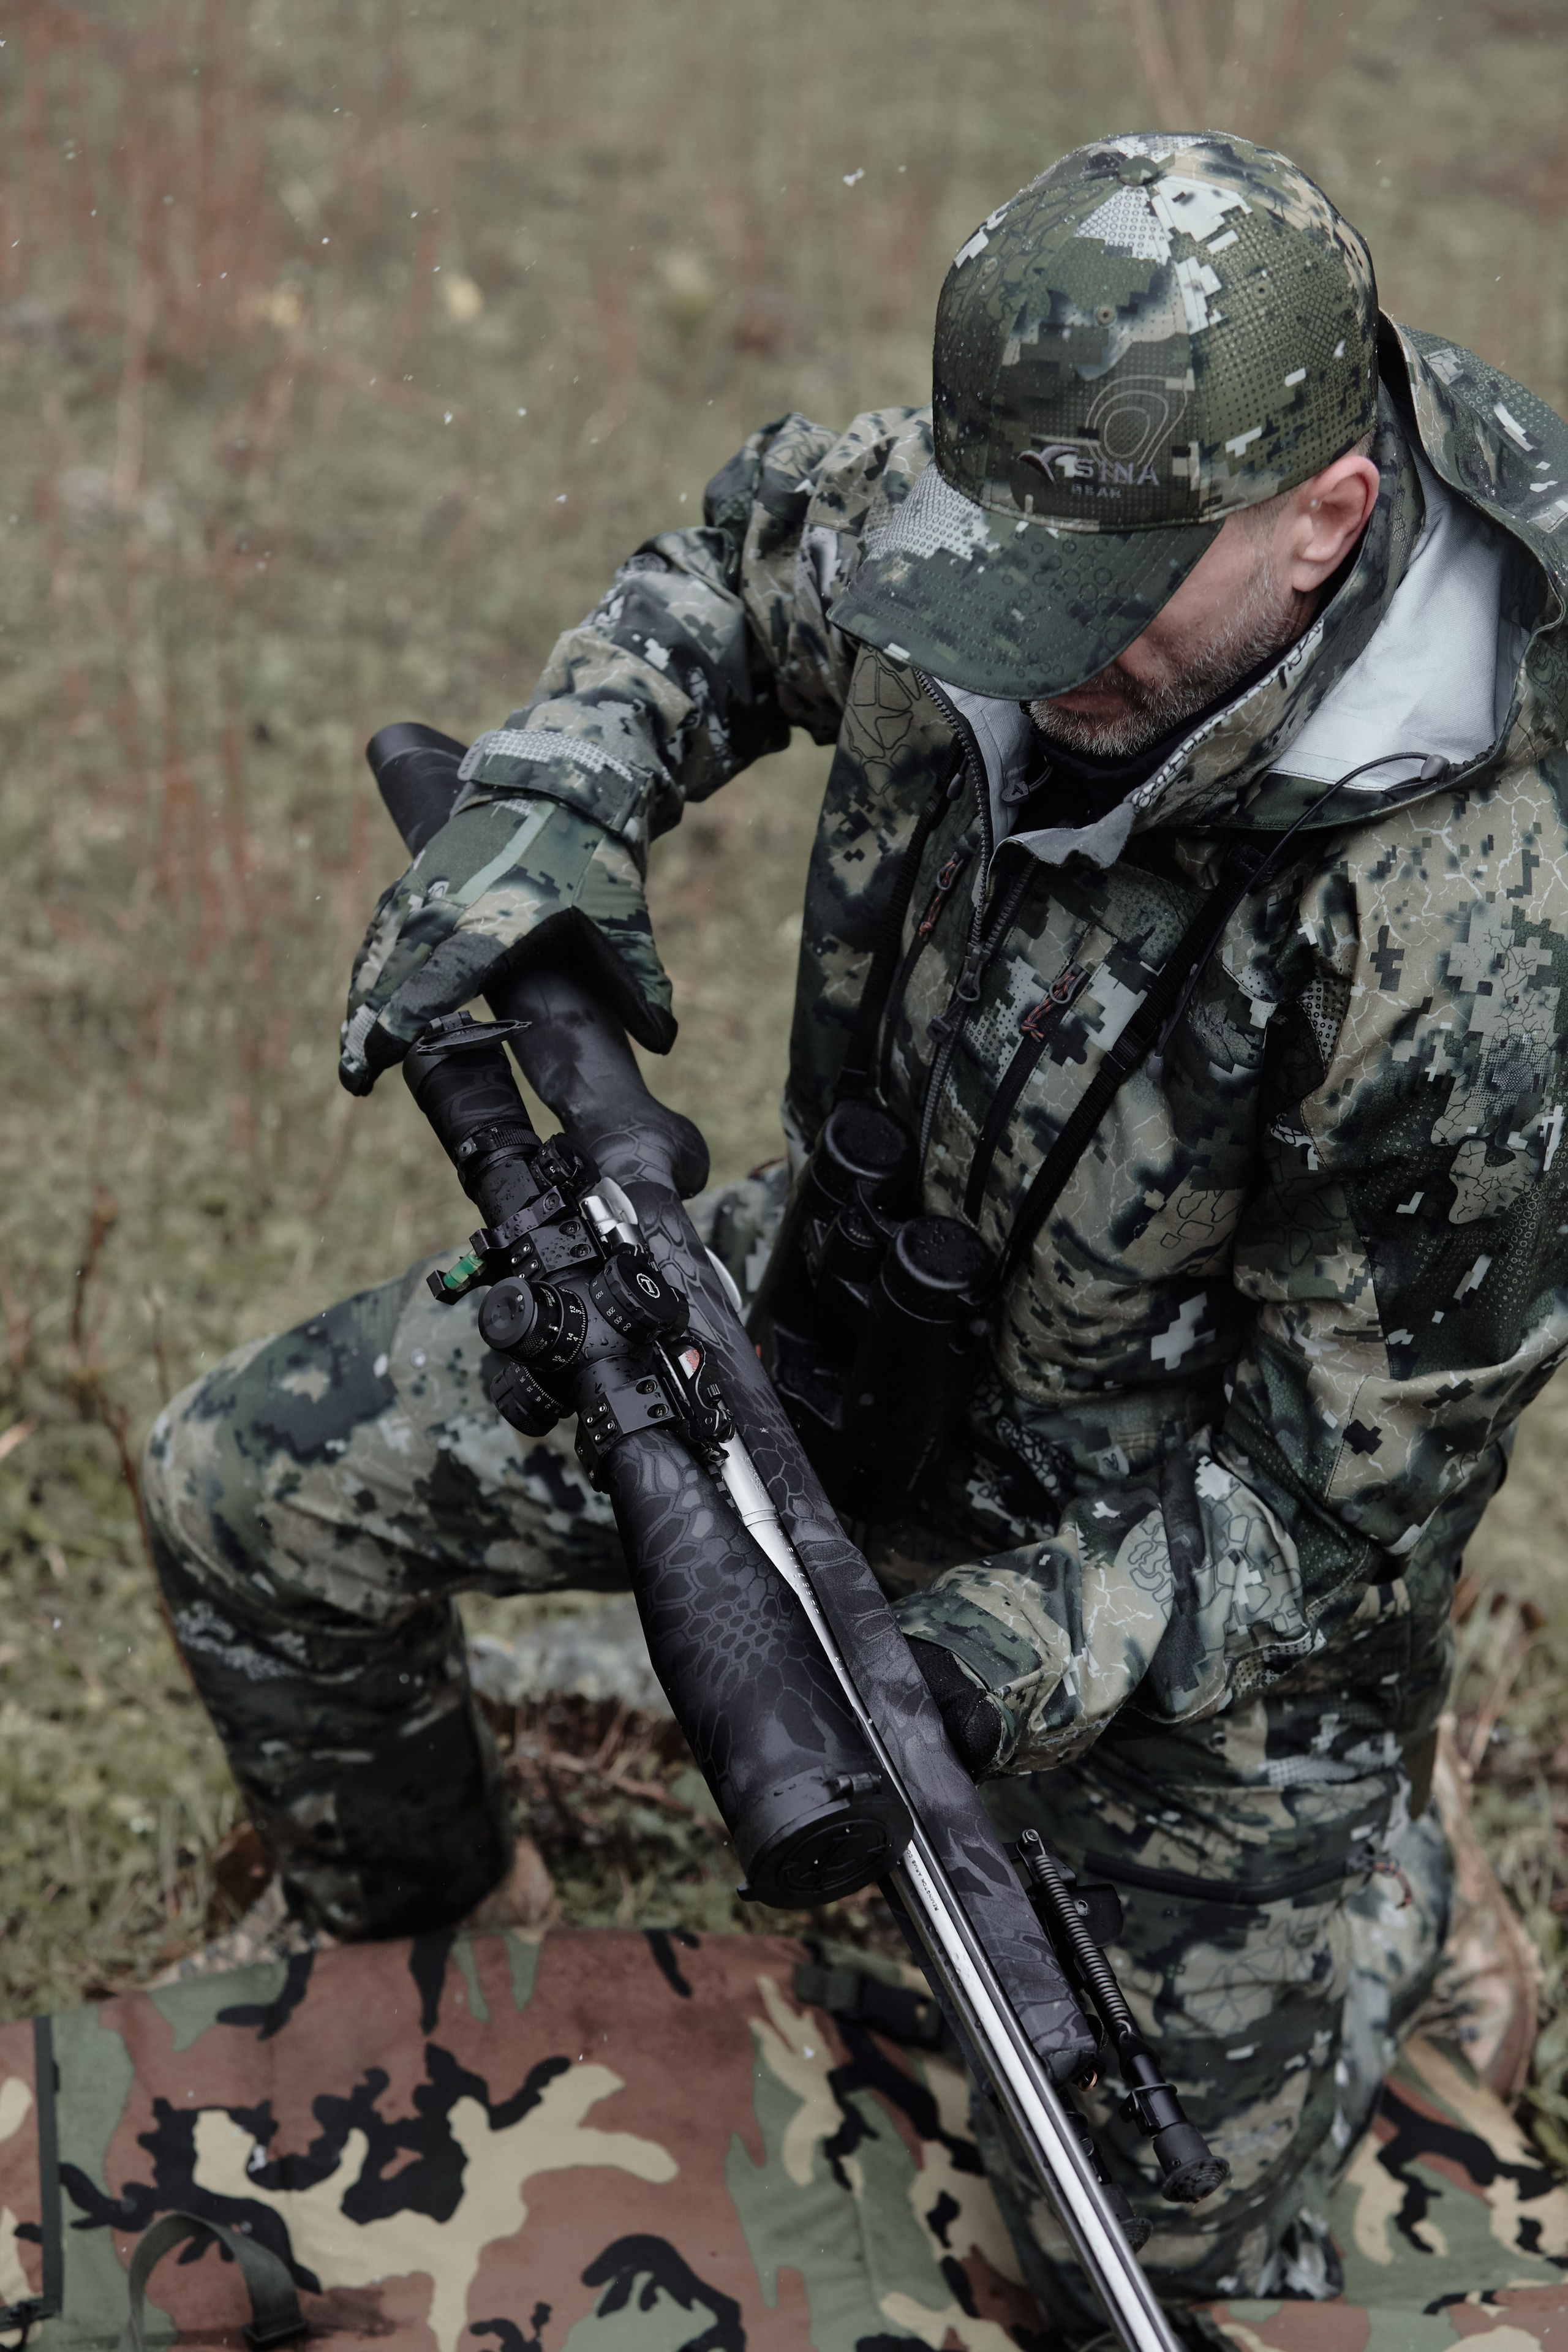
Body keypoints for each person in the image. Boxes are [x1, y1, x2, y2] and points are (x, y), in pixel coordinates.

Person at [144, 130, 1568, 2328]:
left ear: (1327, 524)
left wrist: (980, 1668)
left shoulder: (1480, 932)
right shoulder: (1037, 495)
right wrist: (553, 804)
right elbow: (730, 573)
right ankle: (415, 1936)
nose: (1026, 653)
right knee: (248, 1493)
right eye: (998, 576)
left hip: (1160, 1570)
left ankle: (1394, 1888)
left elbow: (1327, 1511)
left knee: (1147, 2249)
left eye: (1091, 612)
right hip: (815, 1314)